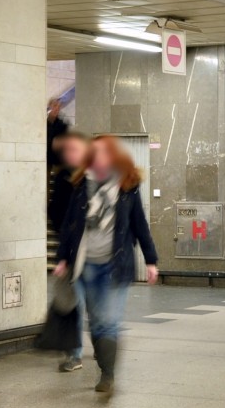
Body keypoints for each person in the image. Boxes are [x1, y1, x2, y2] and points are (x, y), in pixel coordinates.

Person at [53, 135, 158, 394]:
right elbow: (69, 225)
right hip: (86, 265)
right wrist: (62, 258)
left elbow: (140, 224)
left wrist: (151, 260)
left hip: (115, 265)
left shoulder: (127, 186)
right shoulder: (82, 185)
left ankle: (107, 374)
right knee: (97, 320)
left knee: (109, 320)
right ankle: (104, 361)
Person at [46, 131, 89, 372]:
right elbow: (56, 211)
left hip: (97, 253)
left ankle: (103, 344)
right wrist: (64, 248)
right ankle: (75, 353)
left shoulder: (95, 178)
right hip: (74, 252)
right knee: (75, 303)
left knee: (96, 307)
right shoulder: (65, 177)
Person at [46, 98, 68, 169]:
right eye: (55, 105)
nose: (57, 108)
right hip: (45, 159)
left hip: (57, 161)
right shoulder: (43, 123)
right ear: (49, 107)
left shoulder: (62, 125)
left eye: (59, 106)